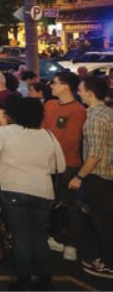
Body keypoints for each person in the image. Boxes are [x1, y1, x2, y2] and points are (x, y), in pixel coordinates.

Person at [0, 97, 65, 290]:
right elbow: (59, 166)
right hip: (43, 191)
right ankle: (45, 279)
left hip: (13, 188)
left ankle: (24, 279)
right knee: (39, 235)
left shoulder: (4, 133)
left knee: (20, 235)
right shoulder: (48, 135)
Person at [68, 77, 113, 278]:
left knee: (102, 223)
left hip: (99, 177)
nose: (79, 93)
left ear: (91, 93)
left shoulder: (94, 118)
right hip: (109, 175)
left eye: (81, 90)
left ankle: (107, 263)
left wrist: (79, 176)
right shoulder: (108, 112)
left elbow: (94, 153)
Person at [42, 72, 87, 261]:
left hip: (68, 165)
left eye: (55, 83)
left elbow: (72, 139)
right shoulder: (49, 105)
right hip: (46, 164)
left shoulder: (78, 110)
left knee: (69, 207)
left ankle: (71, 243)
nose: (51, 85)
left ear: (66, 86)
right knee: (49, 204)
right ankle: (54, 236)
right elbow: (42, 129)